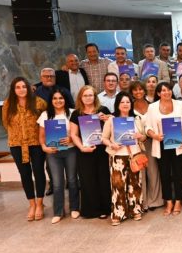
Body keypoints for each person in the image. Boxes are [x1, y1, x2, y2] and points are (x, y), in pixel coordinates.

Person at [2, 77, 47, 221]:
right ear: (13, 90)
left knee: (39, 172)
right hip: (17, 144)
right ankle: (31, 204)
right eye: (17, 87)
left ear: (28, 87)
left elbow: (46, 122)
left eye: (23, 86)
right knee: (25, 174)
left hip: (36, 143)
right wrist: (18, 134)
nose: (21, 89)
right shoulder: (8, 104)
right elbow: (6, 123)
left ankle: (40, 203)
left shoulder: (39, 102)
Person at [145, 82, 182, 216]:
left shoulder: (179, 104)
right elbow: (148, 127)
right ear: (158, 93)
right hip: (161, 145)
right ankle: (169, 201)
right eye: (163, 90)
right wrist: (155, 136)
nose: (167, 92)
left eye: (169, 90)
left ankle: (178, 200)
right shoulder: (152, 107)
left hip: (178, 144)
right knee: (164, 174)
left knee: (178, 174)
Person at [101, 92, 146, 225]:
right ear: (117, 104)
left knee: (135, 184)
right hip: (117, 156)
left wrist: (140, 136)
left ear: (131, 104)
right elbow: (104, 138)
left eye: (128, 102)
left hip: (135, 155)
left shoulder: (136, 119)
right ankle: (118, 213)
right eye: (122, 102)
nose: (125, 104)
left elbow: (144, 137)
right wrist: (111, 144)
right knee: (118, 185)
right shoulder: (111, 120)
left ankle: (136, 210)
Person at [69, 85, 111, 219]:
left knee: (104, 179)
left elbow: (113, 126)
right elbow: (74, 134)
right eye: (85, 95)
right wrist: (82, 147)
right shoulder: (76, 114)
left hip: (102, 151)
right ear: (80, 97)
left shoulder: (103, 110)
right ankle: (91, 210)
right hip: (85, 152)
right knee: (88, 180)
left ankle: (105, 209)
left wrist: (107, 118)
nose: (88, 98)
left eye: (90, 95)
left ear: (95, 97)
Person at [38, 89, 78, 224]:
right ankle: (58, 212)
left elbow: (78, 133)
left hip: (71, 151)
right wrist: (44, 147)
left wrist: (71, 139)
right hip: (53, 153)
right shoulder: (45, 115)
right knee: (57, 183)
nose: (58, 101)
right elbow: (41, 136)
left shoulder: (72, 113)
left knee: (72, 180)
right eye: (55, 98)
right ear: (51, 100)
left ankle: (74, 208)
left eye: (61, 98)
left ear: (65, 99)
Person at [130, 81, 163, 211]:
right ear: (131, 92)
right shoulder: (128, 106)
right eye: (135, 90)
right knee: (140, 173)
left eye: (140, 89)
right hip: (135, 145)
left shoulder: (152, 106)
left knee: (153, 171)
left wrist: (148, 136)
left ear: (144, 91)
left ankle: (155, 201)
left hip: (151, 142)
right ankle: (142, 202)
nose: (138, 92)